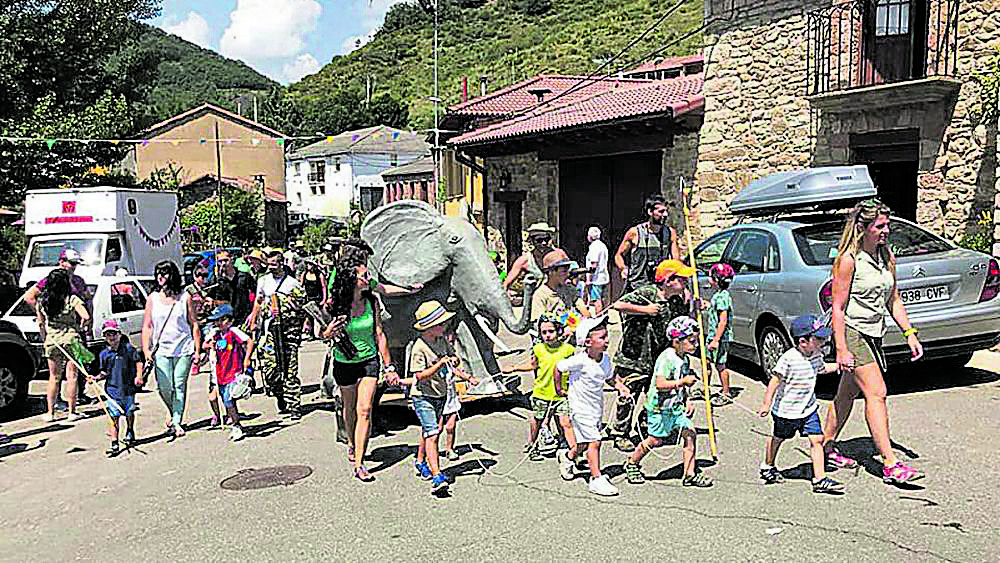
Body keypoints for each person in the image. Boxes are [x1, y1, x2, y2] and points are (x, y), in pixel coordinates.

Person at [822, 198, 925, 485]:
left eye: (887, 225)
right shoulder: (848, 260)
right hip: (853, 331)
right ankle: (890, 464)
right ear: (863, 227)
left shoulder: (886, 256)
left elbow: (894, 299)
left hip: (874, 332)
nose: (886, 231)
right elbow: (837, 308)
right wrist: (841, 348)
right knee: (877, 392)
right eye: (879, 226)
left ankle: (825, 446)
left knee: (846, 394)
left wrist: (909, 333)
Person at [323, 246, 397, 482]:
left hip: (369, 361)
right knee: (350, 408)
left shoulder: (372, 301)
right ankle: (352, 443)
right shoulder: (336, 304)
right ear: (351, 280)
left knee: (365, 409)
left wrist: (389, 366)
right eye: (364, 276)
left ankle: (359, 463)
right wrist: (328, 332)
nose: (368, 279)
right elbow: (322, 334)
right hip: (344, 361)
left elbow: (379, 334)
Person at [608, 259, 694, 451]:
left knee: (655, 394)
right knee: (628, 394)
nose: (686, 283)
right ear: (668, 280)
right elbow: (618, 305)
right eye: (682, 279)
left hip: (658, 357)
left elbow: (681, 324)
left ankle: (646, 426)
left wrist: (693, 307)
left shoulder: (676, 301)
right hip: (634, 356)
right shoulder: (648, 293)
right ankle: (620, 432)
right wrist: (644, 310)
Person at [757, 314, 844, 494]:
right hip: (786, 411)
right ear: (803, 341)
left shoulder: (816, 355)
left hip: (808, 409)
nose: (823, 342)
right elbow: (775, 381)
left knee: (817, 440)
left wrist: (839, 365)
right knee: (779, 438)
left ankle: (820, 479)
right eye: (818, 338)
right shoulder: (788, 359)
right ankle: (768, 466)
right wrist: (766, 403)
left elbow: (822, 369)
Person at [622, 316, 714, 488]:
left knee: (690, 433)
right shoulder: (667, 358)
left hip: (675, 408)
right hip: (659, 408)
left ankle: (689, 474)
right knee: (655, 440)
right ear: (677, 341)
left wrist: (687, 400)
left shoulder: (685, 359)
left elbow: (683, 385)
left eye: (696, 340)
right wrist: (683, 382)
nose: (695, 345)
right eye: (691, 341)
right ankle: (632, 463)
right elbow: (660, 384)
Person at [554, 315, 625, 496]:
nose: (607, 340)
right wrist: (559, 389)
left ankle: (568, 457)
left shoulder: (605, 359)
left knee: (585, 443)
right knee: (595, 441)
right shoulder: (579, 360)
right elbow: (558, 367)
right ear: (587, 342)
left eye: (606, 336)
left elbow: (609, 377)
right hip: (579, 408)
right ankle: (596, 478)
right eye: (602, 337)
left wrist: (620, 387)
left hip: (596, 408)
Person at [407, 300, 468, 495]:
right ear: (429, 327)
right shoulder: (419, 347)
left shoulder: (441, 340)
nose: (444, 326)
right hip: (423, 395)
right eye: (440, 324)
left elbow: (453, 357)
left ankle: (420, 461)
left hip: (440, 393)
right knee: (433, 433)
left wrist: (455, 362)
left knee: (431, 430)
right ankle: (437, 476)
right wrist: (439, 364)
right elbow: (419, 376)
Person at [500, 313, 577, 462]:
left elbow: (573, 369)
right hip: (541, 393)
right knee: (538, 420)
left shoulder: (568, 350)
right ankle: (532, 445)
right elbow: (533, 365)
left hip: (561, 394)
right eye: (544, 332)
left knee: (565, 422)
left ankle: (572, 449)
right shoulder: (538, 349)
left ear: (559, 331)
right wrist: (514, 368)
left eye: (551, 331)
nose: (547, 335)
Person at [26, 248, 94, 407]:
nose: (74, 267)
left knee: (77, 369)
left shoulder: (78, 281)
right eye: (71, 263)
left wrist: (87, 322)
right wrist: (42, 314)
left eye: (75, 264)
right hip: (60, 332)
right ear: (61, 262)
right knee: (63, 374)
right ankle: (62, 405)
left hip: (74, 330)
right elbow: (29, 297)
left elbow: (87, 299)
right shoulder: (50, 280)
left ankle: (77, 397)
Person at [142, 260, 202, 438]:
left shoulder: (185, 297)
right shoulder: (152, 298)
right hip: (161, 349)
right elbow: (147, 326)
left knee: (179, 385)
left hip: (183, 347)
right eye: (158, 273)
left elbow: (194, 324)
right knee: (164, 387)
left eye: (165, 273)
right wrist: (146, 350)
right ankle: (173, 410)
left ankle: (176, 421)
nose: (160, 277)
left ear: (173, 275)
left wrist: (197, 350)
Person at [249, 249, 306, 418]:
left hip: (289, 332)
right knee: (269, 369)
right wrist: (254, 320)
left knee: (290, 369)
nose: (271, 267)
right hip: (270, 331)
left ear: (281, 264)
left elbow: (302, 306)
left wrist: (287, 304)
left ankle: (294, 405)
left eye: (274, 264)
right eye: (269, 264)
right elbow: (258, 302)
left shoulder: (292, 283)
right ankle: (279, 393)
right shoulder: (263, 281)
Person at [38, 268, 90, 422]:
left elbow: (41, 323)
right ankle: (72, 412)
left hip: (52, 340)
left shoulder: (43, 301)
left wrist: (45, 338)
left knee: (54, 377)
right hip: (71, 339)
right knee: (72, 376)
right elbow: (86, 316)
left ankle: (50, 412)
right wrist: (80, 327)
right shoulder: (72, 299)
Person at [94, 320, 143, 457]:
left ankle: (130, 430)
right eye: (108, 334)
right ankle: (114, 443)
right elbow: (104, 372)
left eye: (114, 334)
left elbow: (138, 362)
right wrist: (96, 378)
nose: (111, 337)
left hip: (128, 389)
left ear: (120, 334)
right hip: (112, 391)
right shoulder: (104, 354)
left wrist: (139, 376)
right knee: (113, 417)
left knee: (129, 412)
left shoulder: (128, 349)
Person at [614, 194, 681, 293]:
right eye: (661, 211)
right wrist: (623, 268)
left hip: (660, 287)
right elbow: (618, 255)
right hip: (637, 286)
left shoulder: (670, 233)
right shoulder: (635, 232)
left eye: (666, 211)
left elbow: (676, 261)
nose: (665, 215)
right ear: (650, 212)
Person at [207, 304, 254, 442]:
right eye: (216, 320)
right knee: (226, 400)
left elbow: (249, 341)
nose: (219, 323)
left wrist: (247, 359)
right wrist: (209, 345)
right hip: (220, 374)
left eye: (222, 320)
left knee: (228, 399)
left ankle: (236, 425)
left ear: (230, 320)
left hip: (234, 371)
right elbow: (206, 345)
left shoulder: (233, 332)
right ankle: (234, 421)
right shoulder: (215, 335)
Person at [703, 262, 735, 407]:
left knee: (720, 365)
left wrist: (716, 339)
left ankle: (726, 393)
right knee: (706, 362)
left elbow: (723, 320)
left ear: (716, 280)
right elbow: (715, 310)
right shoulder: (719, 295)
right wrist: (707, 305)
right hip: (712, 336)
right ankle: (706, 389)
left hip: (719, 338)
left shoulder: (723, 297)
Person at [529, 249, 580, 325]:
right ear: (551, 272)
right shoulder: (541, 295)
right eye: (563, 271)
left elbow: (582, 309)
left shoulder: (570, 289)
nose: (567, 275)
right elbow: (539, 323)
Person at [503, 222, 556, 293]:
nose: (544, 243)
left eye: (546, 239)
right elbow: (507, 283)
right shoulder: (525, 260)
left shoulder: (558, 255)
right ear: (532, 241)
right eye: (539, 240)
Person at [215, 251, 256, 326]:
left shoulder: (244, 276)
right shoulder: (218, 281)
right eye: (220, 261)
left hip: (245, 317)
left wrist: (253, 313)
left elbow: (256, 295)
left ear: (232, 260)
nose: (223, 263)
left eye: (226, 260)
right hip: (227, 320)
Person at [585, 226, 610, 315]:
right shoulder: (603, 245)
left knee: (596, 300)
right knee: (604, 299)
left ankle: (599, 318)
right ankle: (605, 317)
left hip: (597, 278)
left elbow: (593, 264)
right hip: (604, 277)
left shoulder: (594, 247)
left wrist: (589, 279)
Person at [299, 260, 327, 339]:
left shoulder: (319, 275)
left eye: (311, 264)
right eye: (308, 264)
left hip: (317, 298)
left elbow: (324, 287)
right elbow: (301, 286)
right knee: (309, 317)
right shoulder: (304, 274)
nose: (309, 266)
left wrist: (324, 299)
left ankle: (321, 334)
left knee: (319, 317)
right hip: (308, 298)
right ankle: (310, 334)